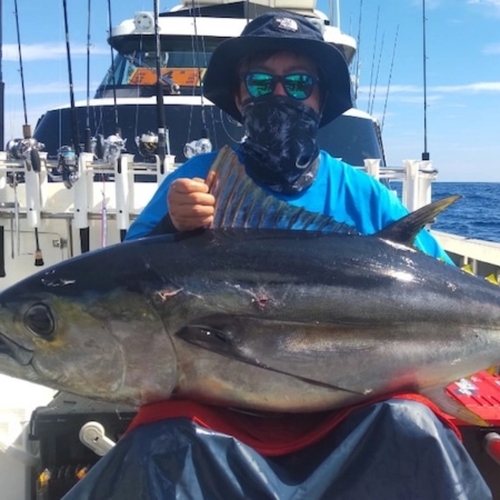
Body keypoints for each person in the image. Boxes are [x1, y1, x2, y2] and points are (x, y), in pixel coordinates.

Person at [63, 11, 491, 500]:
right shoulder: (200, 180)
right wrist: (171, 224)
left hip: (350, 404)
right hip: (218, 404)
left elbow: (445, 287)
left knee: (413, 424)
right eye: (262, 81)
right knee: (160, 442)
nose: (280, 95)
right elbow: (127, 289)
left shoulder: (363, 194)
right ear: (241, 95)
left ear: (321, 96)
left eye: (299, 82)